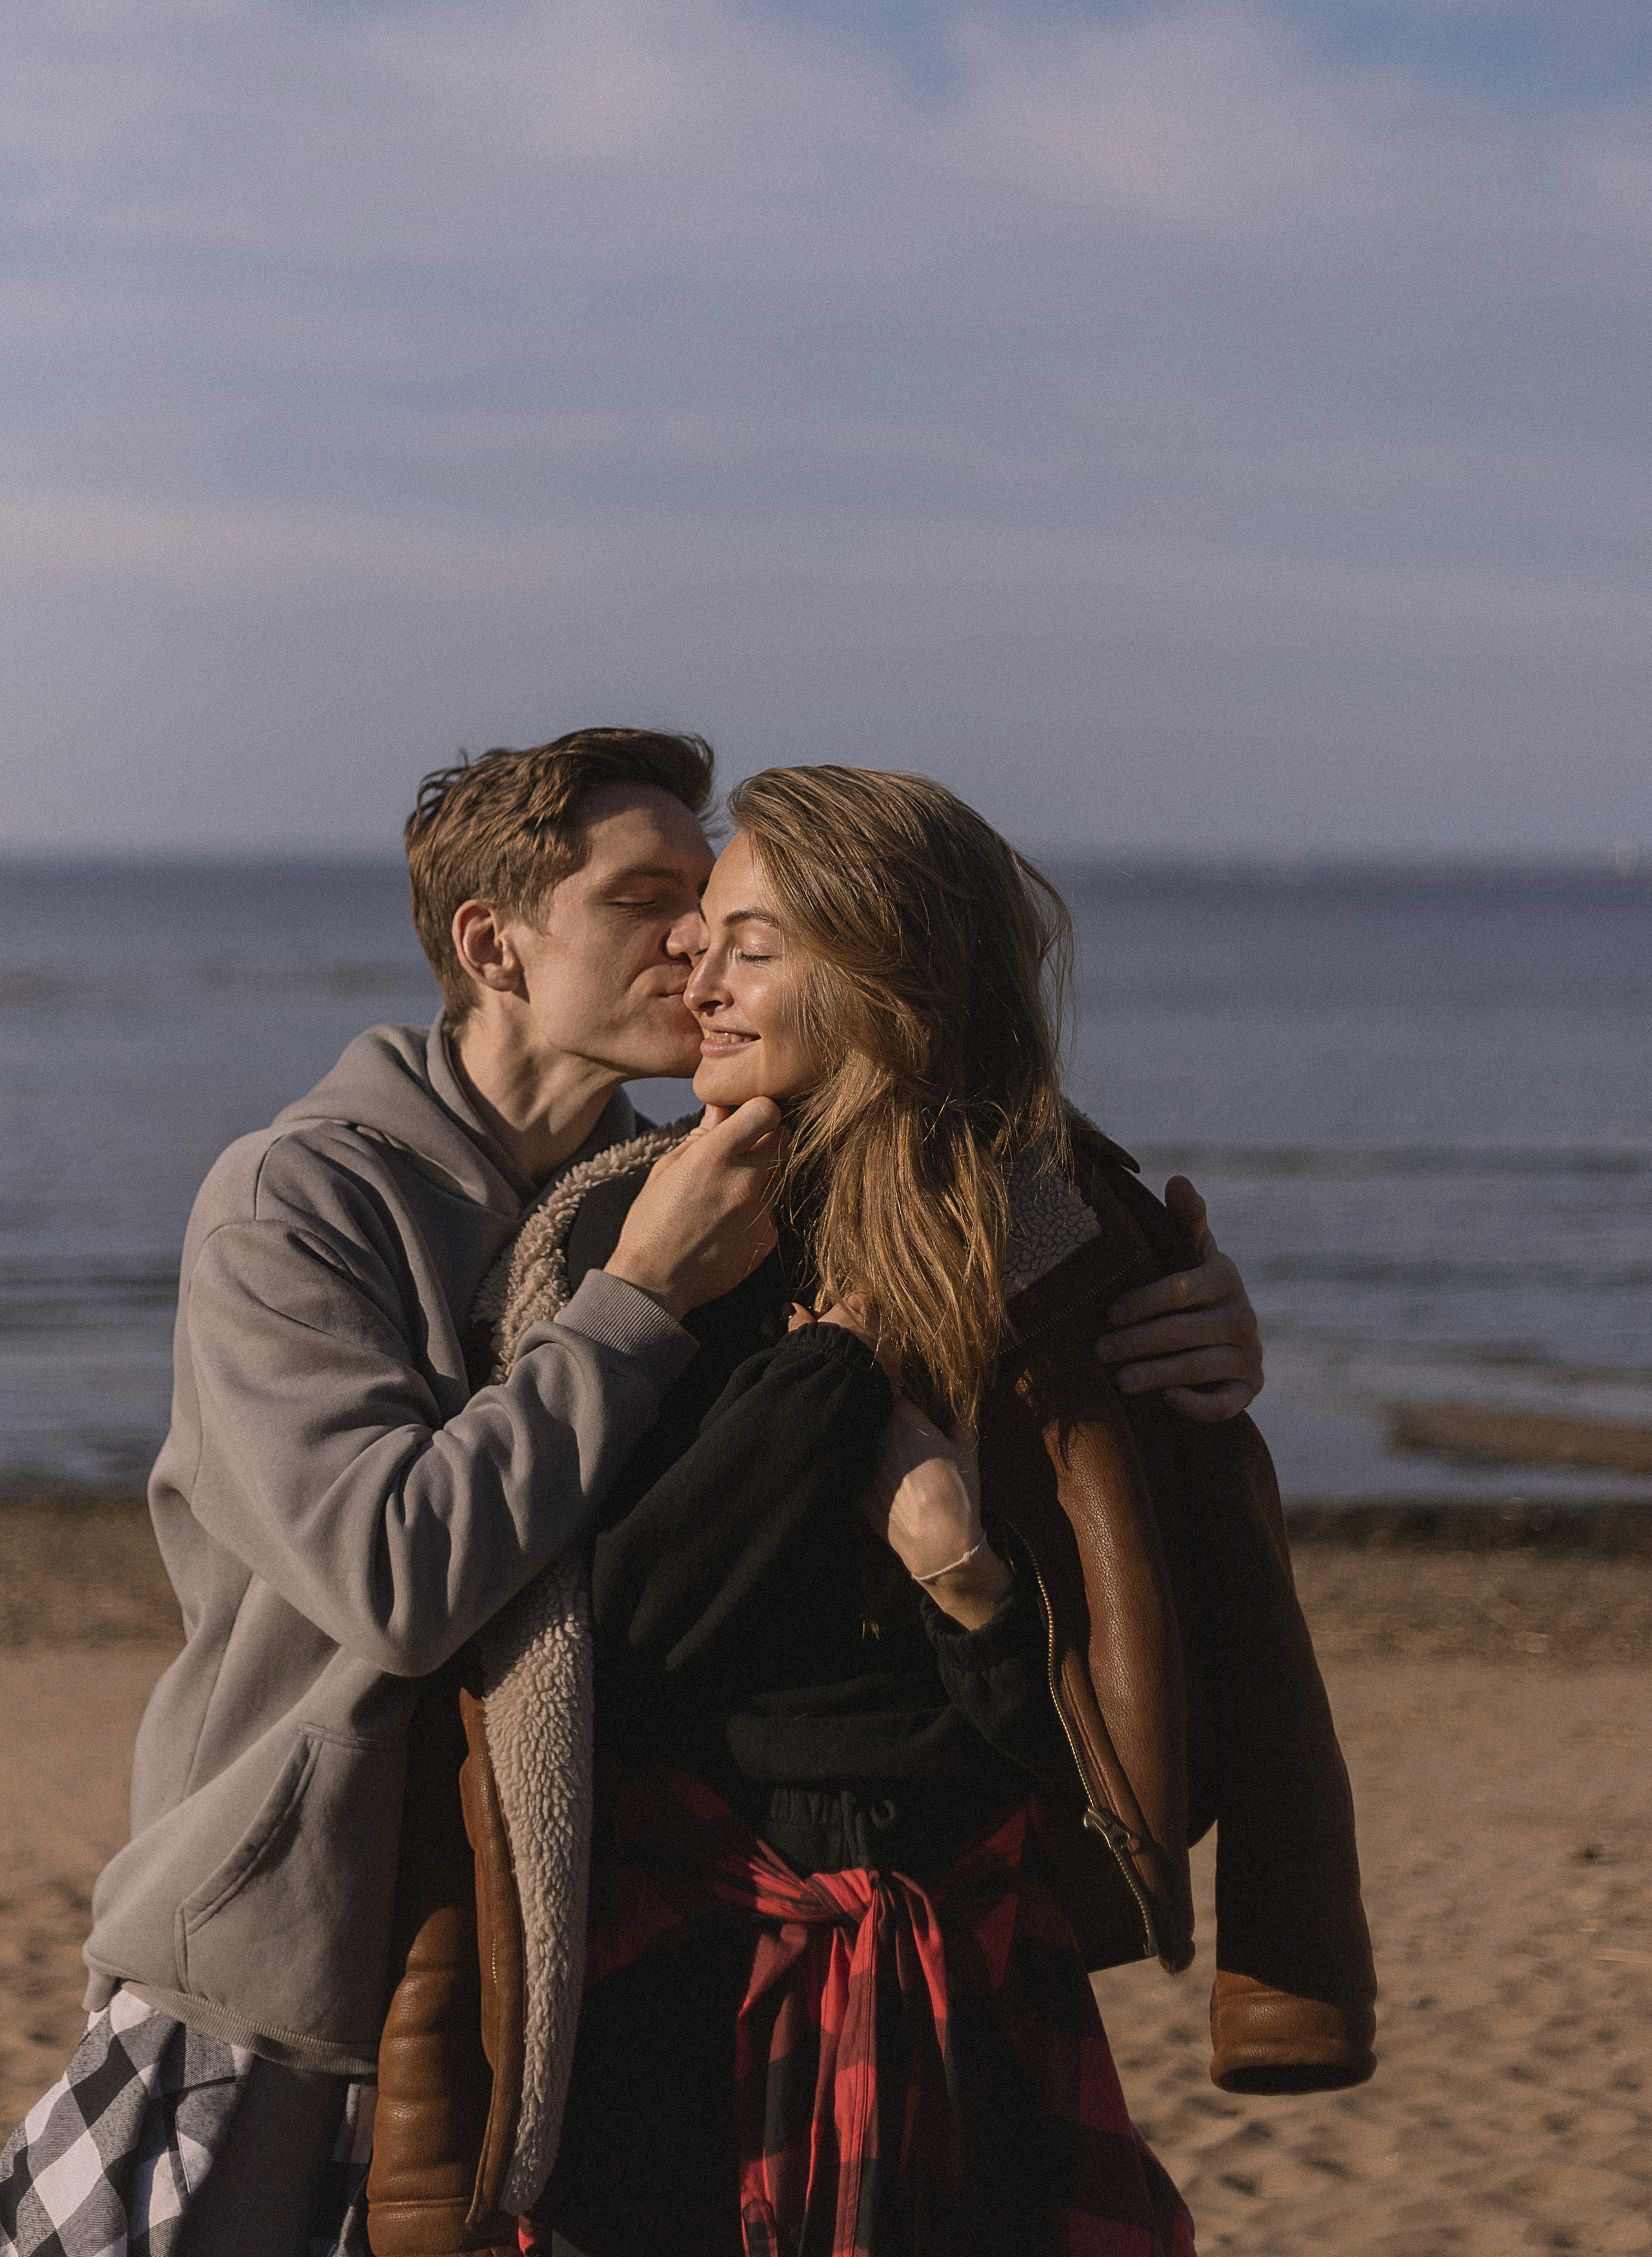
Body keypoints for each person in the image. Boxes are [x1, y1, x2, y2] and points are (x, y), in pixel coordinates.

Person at [0, 734, 1262, 2257]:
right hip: (291, 1952)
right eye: (645, 895)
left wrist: (1178, 1322)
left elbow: (972, 1203)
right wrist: (639, 1297)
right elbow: (399, 1579)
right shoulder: (303, 1202)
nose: (691, 938)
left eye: (714, 902)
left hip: (533, 1957)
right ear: (492, 944)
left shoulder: (685, 1180)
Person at [389, 763, 1353, 2257]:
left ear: (888, 976)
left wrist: (961, 1575)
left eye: (748, 944)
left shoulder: (1058, 1239)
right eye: (698, 930)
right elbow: (604, 1643)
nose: (691, 974)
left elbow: (1135, 1703)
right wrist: (825, 1382)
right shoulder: (621, 1225)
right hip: (675, 1965)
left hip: (966, 1955)